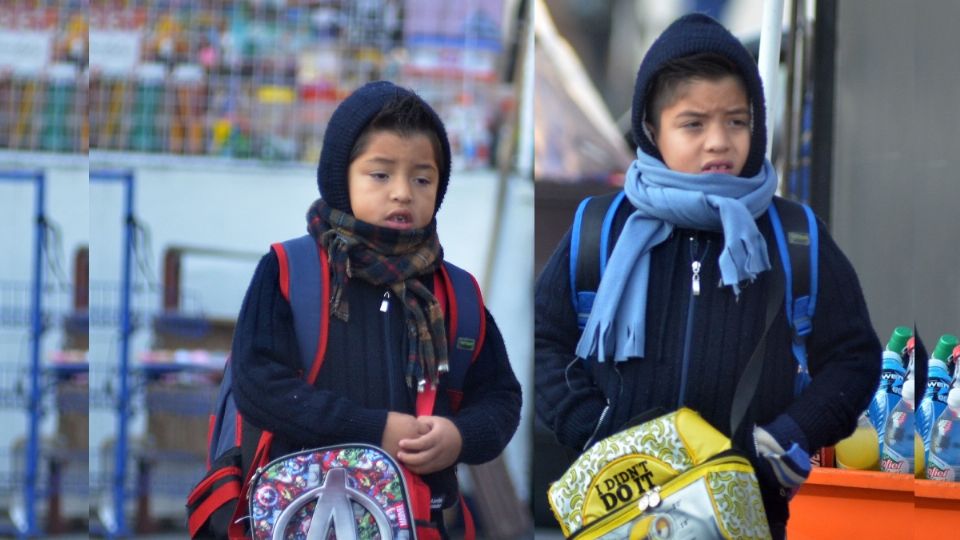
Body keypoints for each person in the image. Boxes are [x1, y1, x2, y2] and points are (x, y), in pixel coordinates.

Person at [534, 13, 881, 538]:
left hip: (749, 514)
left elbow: (853, 358)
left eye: (736, 121)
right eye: (693, 123)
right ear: (652, 128)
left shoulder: (795, 237)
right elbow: (544, 341)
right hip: (619, 513)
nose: (719, 142)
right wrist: (596, 431)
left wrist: (788, 437)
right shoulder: (598, 230)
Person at [231, 81, 522, 537]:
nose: (403, 193)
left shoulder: (458, 293)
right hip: (301, 519)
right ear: (339, 177)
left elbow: (501, 399)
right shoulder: (290, 271)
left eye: (422, 178)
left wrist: (459, 437)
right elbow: (259, 385)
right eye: (380, 174)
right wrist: (373, 430)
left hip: (423, 520)